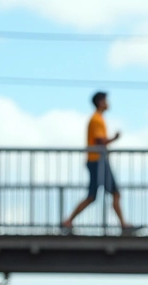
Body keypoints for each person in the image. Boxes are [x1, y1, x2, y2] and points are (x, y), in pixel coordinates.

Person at [60, 92, 140, 235]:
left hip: (98, 161)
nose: (108, 102)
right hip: (97, 161)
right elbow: (99, 140)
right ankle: (123, 226)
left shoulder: (98, 119)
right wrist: (114, 139)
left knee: (102, 195)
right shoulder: (96, 119)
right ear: (100, 102)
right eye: (105, 100)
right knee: (104, 194)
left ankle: (123, 225)